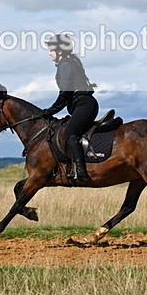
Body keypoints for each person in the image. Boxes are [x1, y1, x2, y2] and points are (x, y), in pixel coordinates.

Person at [40, 33, 98, 183]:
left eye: (51, 49)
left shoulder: (65, 64)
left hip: (84, 104)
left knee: (70, 133)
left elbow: (65, 93)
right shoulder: (68, 62)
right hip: (84, 104)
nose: (49, 53)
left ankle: (81, 171)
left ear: (59, 51)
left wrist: (50, 111)